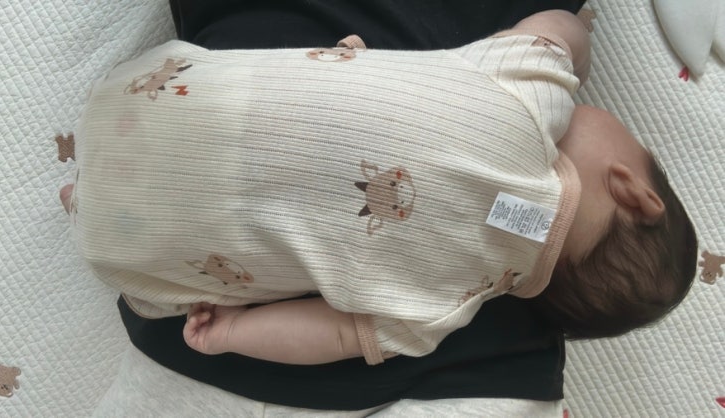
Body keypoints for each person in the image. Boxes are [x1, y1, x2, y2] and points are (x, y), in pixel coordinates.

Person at [60, 9, 697, 368]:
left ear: (633, 191)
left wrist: (577, 47)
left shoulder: (533, 100)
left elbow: (555, 27)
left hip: (148, 94)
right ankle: (80, 202)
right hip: (122, 243)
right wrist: (232, 335)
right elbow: (334, 337)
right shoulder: (446, 308)